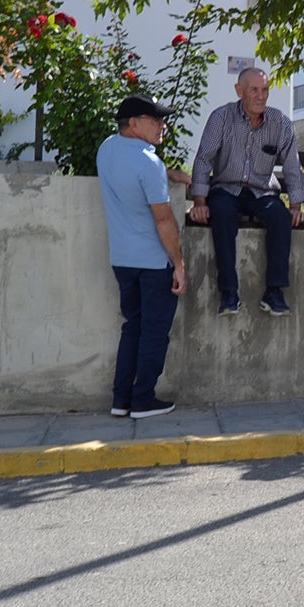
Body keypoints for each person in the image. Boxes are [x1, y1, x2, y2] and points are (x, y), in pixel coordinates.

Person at [97, 94, 187, 419]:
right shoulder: (149, 163)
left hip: (122, 259)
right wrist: (178, 264)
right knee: (154, 331)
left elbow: (133, 176)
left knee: (132, 327)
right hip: (153, 262)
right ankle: (143, 400)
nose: (162, 125)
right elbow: (164, 220)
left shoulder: (106, 149)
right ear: (133, 124)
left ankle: (121, 400)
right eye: (155, 120)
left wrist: (170, 174)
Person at [188, 67, 304, 317]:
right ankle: (229, 292)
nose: (261, 96)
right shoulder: (221, 117)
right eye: (254, 90)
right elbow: (204, 159)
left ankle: (274, 292)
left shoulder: (280, 122)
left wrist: (296, 204)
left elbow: (292, 166)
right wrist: (199, 200)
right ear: (239, 91)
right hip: (226, 188)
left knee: (281, 217)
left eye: (265, 90)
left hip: (262, 192)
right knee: (220, 213)